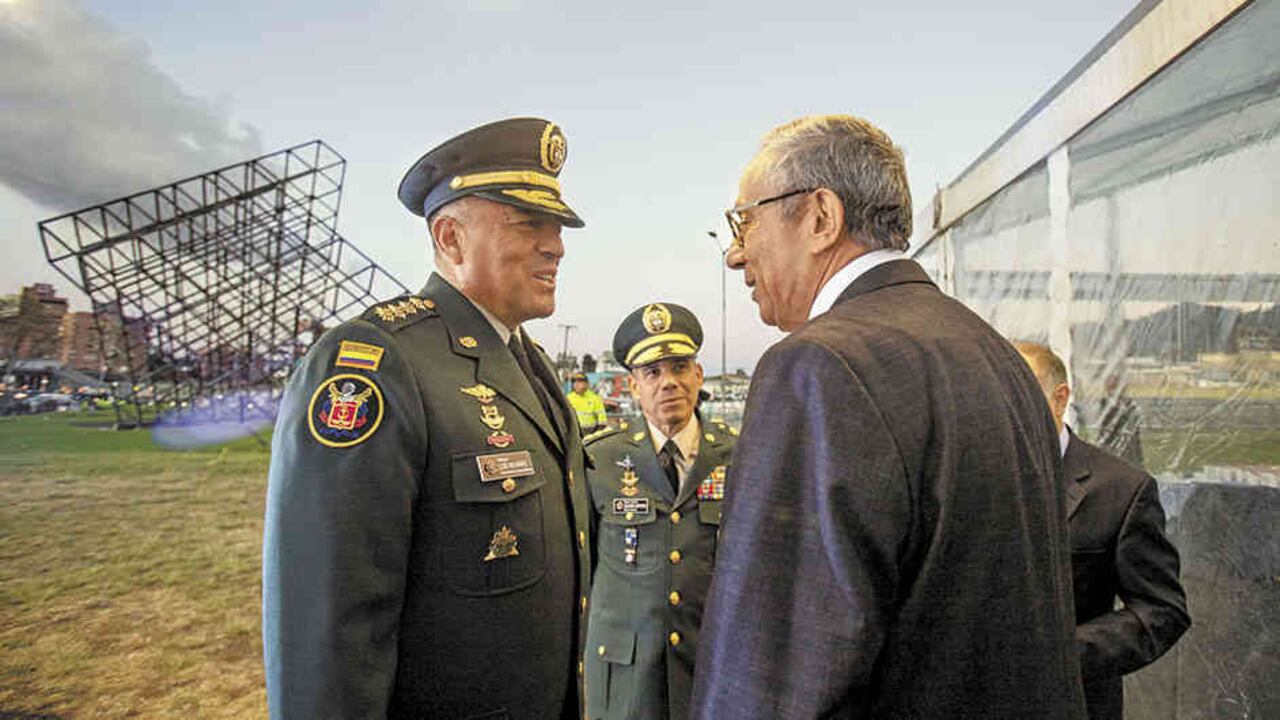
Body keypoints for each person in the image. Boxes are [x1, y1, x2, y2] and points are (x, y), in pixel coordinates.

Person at [689, 115, 1086, 719]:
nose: (737, 254)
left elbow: (774, 674)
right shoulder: (997, 357)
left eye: (745, 220)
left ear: (821, 217)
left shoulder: (819, 366)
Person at [262, 117, 594, 720]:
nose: (557, 246)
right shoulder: (380, 363)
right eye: (530, 224)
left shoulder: (534, 367)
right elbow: (332, 625)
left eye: (559, 227)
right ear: (450, 238)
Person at [1014, 341, 1190, 720]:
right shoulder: (967, 480)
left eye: (1020, 396)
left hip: (1074, 703)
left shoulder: (1122, 490)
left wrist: (1062, 655)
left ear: (1060, 399)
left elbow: (1162, 610)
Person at [582, 302, 737, 720]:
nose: (668, 382)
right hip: (624, 674)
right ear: (633, 387)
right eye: (653, 373)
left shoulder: (739, 455)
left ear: (698, 376)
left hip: (710, 666)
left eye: (680, 368)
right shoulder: (599, 461)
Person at [568, 370, 608, 435]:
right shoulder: (569, 398)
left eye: (580, 381)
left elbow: (602, 421)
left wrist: (597, 434)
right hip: (574, 434)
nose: (576, 384)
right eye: (574, 381)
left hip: (591, 434)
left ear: (587, 383)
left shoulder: (595, 398)